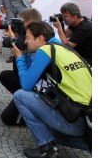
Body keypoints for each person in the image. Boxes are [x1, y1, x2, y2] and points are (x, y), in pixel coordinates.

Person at [12, 21, 91, 158]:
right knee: (49, 128)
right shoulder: (64, 48)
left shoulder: (45, 50)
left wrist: (19, 58)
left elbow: (26, 84)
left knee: (20, 95)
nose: (25, 42)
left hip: (75, 120)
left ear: (41, 38)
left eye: (28, 38)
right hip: (89, 119)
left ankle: (46, 148)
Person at [0, 8, 42, 126]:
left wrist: (14, 40)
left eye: (23, 23)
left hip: (34, 82)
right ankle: (24, 101)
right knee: (5, 75)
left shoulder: (38, 38)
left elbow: (21, 51)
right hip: (27, 77)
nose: (22, 26)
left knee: (7, 119)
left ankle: (32, 108)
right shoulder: (28, 33)